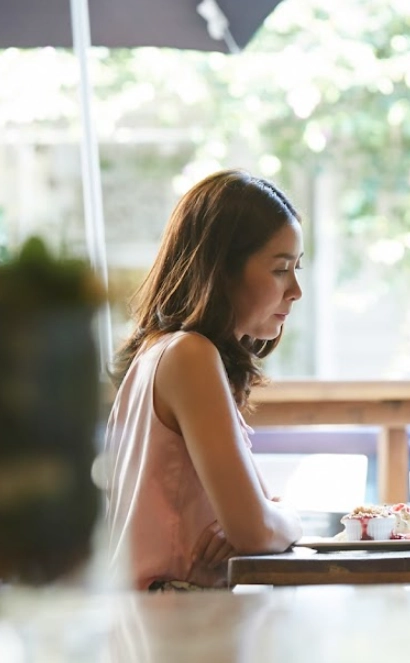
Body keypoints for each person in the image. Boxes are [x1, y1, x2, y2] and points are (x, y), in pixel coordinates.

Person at [104, 169, 304, 590]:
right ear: (222, 270)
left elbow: (252, 522)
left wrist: (262, 520)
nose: (296, 290)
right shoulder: (190, 355)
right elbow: (255, 529)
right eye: (281, 269)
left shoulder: (161, 351)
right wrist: (290, 519)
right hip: (175, 632)